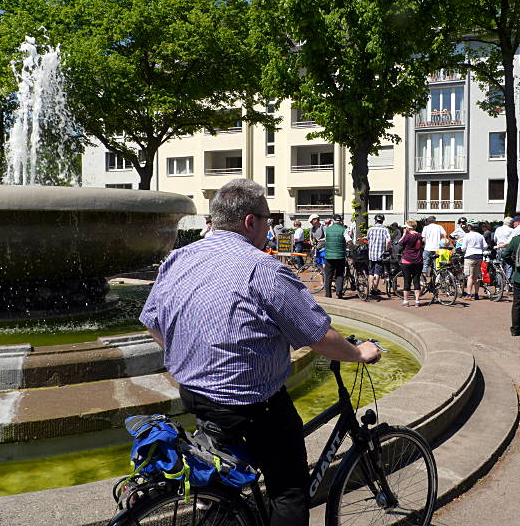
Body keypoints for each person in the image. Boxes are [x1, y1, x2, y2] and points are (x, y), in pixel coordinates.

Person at [139, 179, 381, 526]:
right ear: (250, 222)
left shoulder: (179, 258)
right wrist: (358, 353)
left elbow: (152, 321)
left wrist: (186, 355)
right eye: (269, 219)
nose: (271, 227)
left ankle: (225, 506)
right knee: (289, 490)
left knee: (227, 474)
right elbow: (318, 336)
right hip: (251, 403)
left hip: (194, 392)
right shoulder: (264, 269)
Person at [324, 214, 351, 299]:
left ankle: (328, 294)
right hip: (340, 256)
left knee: (328, 275)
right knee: (339, 274)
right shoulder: (344, 229)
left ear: (333, 220)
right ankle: (339, 293)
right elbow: (349, 240)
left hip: (328, 256)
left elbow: (326, 239)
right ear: (341, 221)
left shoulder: (327, 229)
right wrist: (352, 247)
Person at [399, 219, 424, 307]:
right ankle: (417, 301)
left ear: (408, 228)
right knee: (416, 280)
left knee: (407, 280)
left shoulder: (408, 236)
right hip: (418, 261)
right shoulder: (420, 235)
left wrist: (404, 234)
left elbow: (400, 243)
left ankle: (406, 301)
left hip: (407, 261)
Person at [460, 220, 488, 300]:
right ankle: (476, 294)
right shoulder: (480, 236)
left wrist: (463, 250)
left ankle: (469, 294)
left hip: (469, 256)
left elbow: (463, 248)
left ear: (469, 227)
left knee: (470, 276)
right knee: (477, 276)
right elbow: (485, 246)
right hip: (479, 256)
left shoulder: (467, 235)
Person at [366, 214, 391, 296]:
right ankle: (375, 289)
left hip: (371, 254)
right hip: (380, 254)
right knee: (377, 272)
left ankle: (369, 288)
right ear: (382, 220)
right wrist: (387, 249)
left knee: (371, 272)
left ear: (375, 220)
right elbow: (388, 241)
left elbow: (368, 240)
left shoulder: (370, 229)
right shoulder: (385, 229)